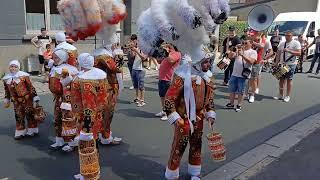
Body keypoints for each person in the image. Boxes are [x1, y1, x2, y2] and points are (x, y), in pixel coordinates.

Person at [164, 50, 216, 180]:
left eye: (209, 61)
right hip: (183, 118)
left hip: (199, 118)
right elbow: (169, 98)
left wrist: (210, 112)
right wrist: (176, 118)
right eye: (205, 62)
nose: (208, 65)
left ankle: (194, 172)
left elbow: (209, 97)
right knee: (178, 146)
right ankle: (172, 173)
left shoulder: (207, 76)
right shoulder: (182, 75)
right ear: (197, 63)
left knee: (197, 145)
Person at [72, 53, 105, 180]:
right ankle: (91, 172)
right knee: (93, 145)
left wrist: (86, 127)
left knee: (88, 147)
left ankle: (89, 175)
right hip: (95, 117)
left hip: (87, 120)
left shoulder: (86, 82)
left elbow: (89, 106)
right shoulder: (97, 76)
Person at [49, 48, 79, 150]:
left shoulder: (71, 69)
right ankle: (59, 140)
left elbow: (75, 85)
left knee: (69, 120)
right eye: (54, 57)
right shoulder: (55, 69)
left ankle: (71, 142)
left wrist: (64, 84)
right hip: (59, 99)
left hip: (68, 99)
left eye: (57, 57)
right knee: (58, 119)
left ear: (62, 58)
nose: (55, 59)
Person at [3, 60, 41, 139]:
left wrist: (35, 96)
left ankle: (32, 129)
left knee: (29, 114)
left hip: (26, 99)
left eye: (15, 67)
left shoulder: (24, 76)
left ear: (18, 68)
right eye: (11, 66)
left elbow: (30, 87)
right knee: (18, 115)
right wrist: (7, 98)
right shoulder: (6, 79)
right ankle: (20, 131)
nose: (13, 68)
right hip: (16, 101)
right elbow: (7, 90)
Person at [93, 45, 123, 145]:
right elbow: (118, 68)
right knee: (107, 113)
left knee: (100, 112)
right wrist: (118, 53)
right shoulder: (105, 56)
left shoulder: (97, 53)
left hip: (99, 86)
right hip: (107, 88)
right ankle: (105, 137)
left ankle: (98, 134)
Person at [226, 38, 257, 112]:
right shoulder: (239, 50)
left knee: (241, 91)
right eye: (243, 43)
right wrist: (234, 50)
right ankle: (231, 103)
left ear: (251, 44)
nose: (244, 44)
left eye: (246, 43)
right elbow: (230, 57)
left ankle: (239, 105)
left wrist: (242, 55)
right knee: (232, 90)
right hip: (234, 74)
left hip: (243, 75)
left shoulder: (253, 52)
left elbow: (251, 62)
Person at [155, 43, 181, 121]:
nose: (166, 44)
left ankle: (168, 113)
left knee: (168, 98)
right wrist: (158, 52)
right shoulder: (167, 52)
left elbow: (171, 60)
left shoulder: (177, 53)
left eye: (168, 43)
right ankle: (164, 110)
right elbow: (159, 61)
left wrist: (166, 53)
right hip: (162, 78)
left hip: (169, 79)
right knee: (162, 96)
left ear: (172, 45)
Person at [274, 31, 301, 102]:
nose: (287, 37)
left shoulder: (296, 43)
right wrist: (276, 63)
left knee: (289, 80)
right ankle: (280, 94)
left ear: (292, 36)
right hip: (282, 64)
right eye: (286, 35)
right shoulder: (282, 43)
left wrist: (289, 51)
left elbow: (299, 53)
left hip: (291, 64)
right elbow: (278, 54)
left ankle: (287, 96)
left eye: (289, 35)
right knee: (281, 80)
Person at [131, 41, 148, 107]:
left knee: (141, 85)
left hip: (141, 69)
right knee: (135, 84)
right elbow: (132, 56)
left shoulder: (146, 50)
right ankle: (137, 97)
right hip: (134, 68)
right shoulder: (137, 48)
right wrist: (132, 49)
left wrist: (137, 51)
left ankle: (142, 100)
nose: (137, 44)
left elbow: (144, 58)